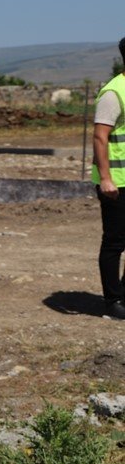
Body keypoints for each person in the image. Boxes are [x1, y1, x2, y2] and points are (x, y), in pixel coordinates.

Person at [91, 36, 125, 320]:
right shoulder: (114, 93)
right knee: (115, 241)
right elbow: (100, 137)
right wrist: (105, 178)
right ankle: (113, 302)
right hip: (116, 181)